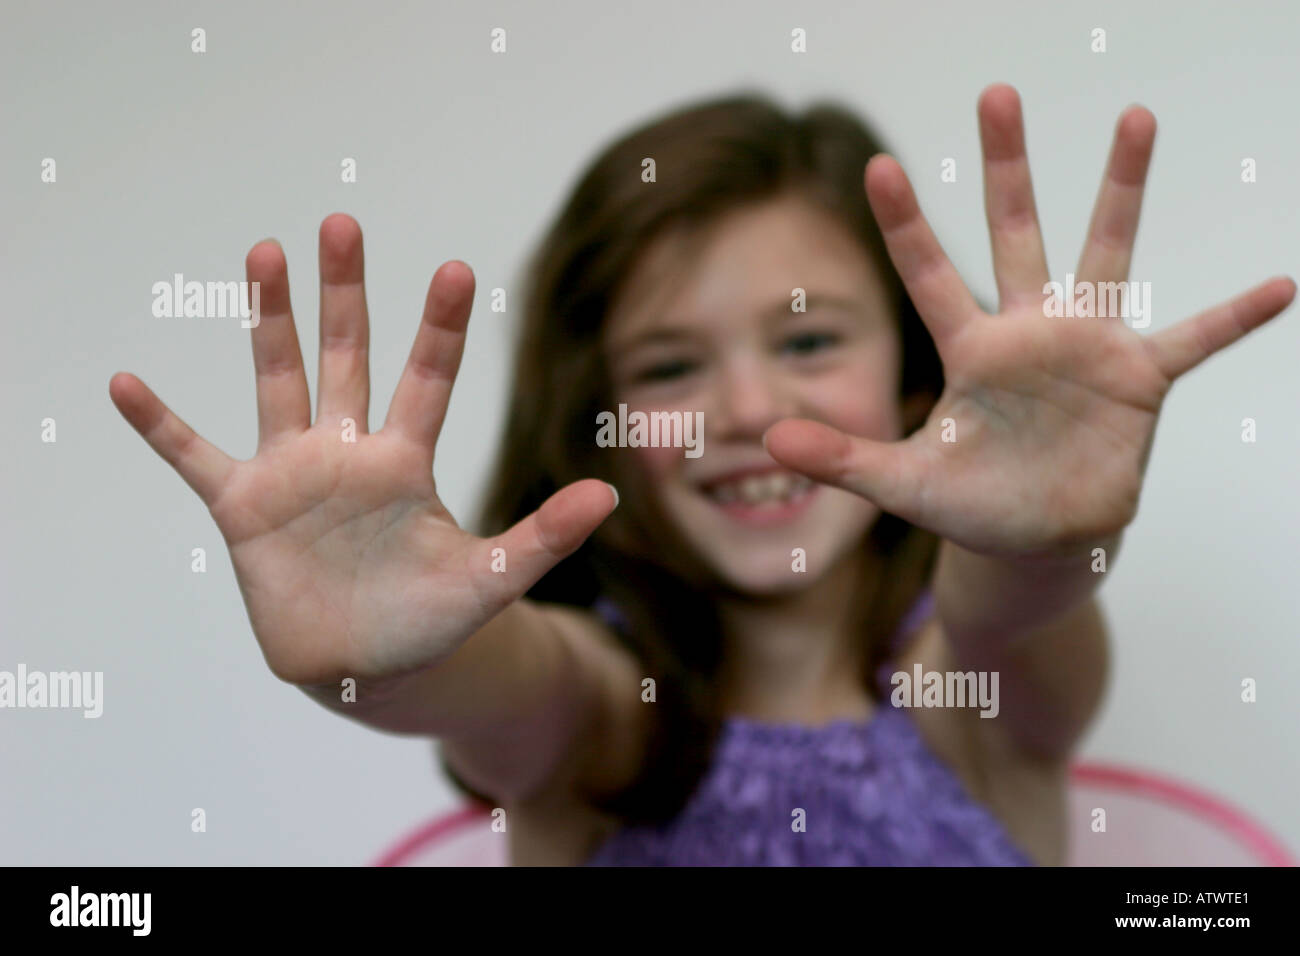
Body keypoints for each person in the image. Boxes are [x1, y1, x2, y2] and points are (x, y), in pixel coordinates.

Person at [108, 83, 1295, 865]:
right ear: (602, 419)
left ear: (917, 374)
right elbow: (512, 682)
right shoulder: (598, 719)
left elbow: (1008, 620)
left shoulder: (976, 702)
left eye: (809, 339)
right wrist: (380, 656)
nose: (744, 412)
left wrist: (1037, 534)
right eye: (671, 365)